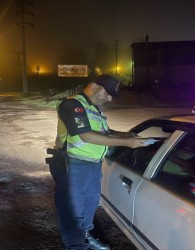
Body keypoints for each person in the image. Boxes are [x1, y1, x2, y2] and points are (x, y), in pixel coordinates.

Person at [51, 74, 149, 250]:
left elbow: (105, 131)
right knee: (72, 213)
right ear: (94, 86)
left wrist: (125, 134)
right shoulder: (72, 105)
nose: (110, 98)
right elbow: (85, 135)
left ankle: (86, 236)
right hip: (73, 166)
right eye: (108, 93)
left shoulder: (93, 108)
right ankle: (76, 246)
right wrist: (126, 143)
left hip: (93, 165)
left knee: (90, 205)